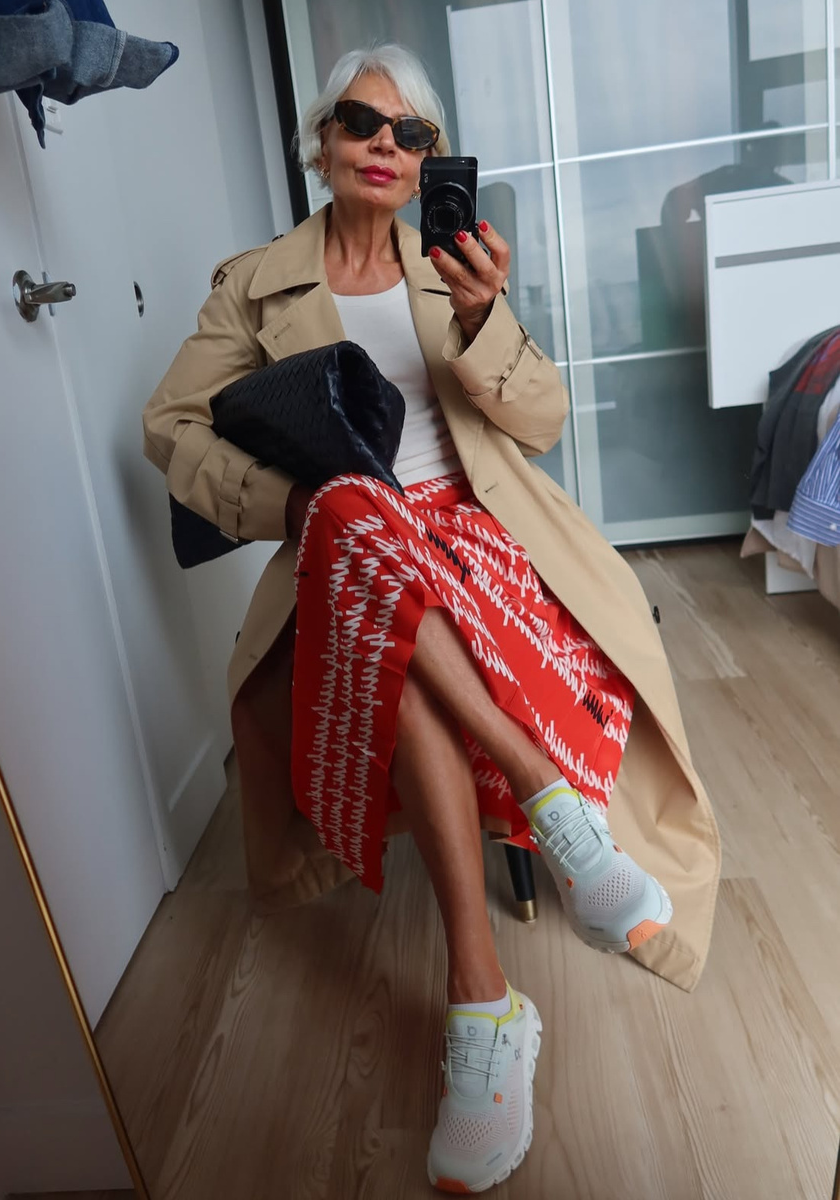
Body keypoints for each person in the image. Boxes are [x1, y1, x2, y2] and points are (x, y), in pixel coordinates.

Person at [143, 44, 720, 1195]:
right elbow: (170, 428)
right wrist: (288, 502)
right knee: (352, 507)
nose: (385, 146)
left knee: (382, 607)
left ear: (429, 162)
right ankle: (547, 802)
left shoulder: (454, 268)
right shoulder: (252, 285)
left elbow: (542, 421)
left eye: (412, 134)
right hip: (341, 537)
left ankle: (484, 1002)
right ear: (320, 140)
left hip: (479, 537)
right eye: (362, 121)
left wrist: (486, 314)